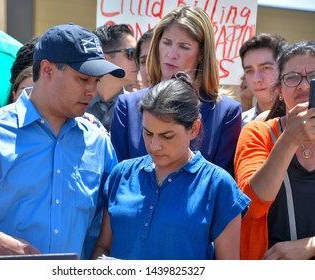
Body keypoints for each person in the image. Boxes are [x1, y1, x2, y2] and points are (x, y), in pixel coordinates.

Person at [0, 23, 125, 259]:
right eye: (82, 79)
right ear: (47, 70)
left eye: (96, 81)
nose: (92, 91)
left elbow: (109, 218)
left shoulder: (98, 142)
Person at [91, 72, 250, 260]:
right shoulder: (122, 174)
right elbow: (103, 246)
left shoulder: (219, 185)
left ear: (194, 129)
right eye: (148, 133)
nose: (154, 146)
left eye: (167, 136)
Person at [110, 5, 242, 176]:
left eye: (184, 47)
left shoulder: (226, 112)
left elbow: (221, 187)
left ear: (201, 53)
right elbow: (118, 179)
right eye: (166, 43)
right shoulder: (127, 105)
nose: (171, 54)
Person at [234, 41, 315, 260]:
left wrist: (309, 246)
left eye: (312, 76)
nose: (304, 86)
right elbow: (249, 206)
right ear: (279, 91)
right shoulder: (258, 133)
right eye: (292, 77)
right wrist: (289, 140)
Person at [87, 24, 138, 132]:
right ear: (104, 58)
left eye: (138, 54)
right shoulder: (75, 103)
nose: (137, 61)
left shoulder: (137, 108)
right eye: (131, 53)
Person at [239, 33, 287, 127]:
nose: (257, 79)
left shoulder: (305, 122)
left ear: (285, 69)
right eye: (249, 71)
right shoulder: (237, 124)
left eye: (266, 68)